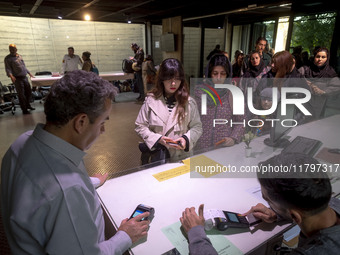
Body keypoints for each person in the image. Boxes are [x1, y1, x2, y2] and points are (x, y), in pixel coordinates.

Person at [1, 70, 150, 254]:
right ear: (81, 122)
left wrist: (89, 182)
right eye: (102, 123)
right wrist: (125, 236)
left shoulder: (21, 143)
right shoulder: (67, 191)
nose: (102, 131)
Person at [180, 153, 340, 255]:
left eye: (268, 200)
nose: (267, 204)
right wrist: (278, 213)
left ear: (294, 215)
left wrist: (196, 234)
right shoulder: (328, 202)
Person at [135, 58, 202, 163]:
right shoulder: (151, 101)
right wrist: (157, 139)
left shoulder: (189, 102)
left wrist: (186, 139)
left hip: (181, 157)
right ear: (162, 78)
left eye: (177, 79)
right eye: (169, 78)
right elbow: (140, 126)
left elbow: (197, 127)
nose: (173, 83)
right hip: (157, 157)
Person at [194, 54, 245, 151]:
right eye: (215, 73)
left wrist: (234, 138)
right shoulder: (200, 92)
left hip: (224, 148)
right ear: (209, 74)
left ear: (228, 74)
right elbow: (192, 121)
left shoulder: (234, 94)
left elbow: (241, 121)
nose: (218, 77)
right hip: (200, 148)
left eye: (222, 73)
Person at [298, 47, 340, 118]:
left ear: (327, 59)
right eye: (318, 56)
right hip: (302, 103)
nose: (320, 59)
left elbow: (336, 86)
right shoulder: (305, 70)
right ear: (314, 57)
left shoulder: (330, 73)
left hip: (318, 106)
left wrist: (323, 92)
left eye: (323, 57)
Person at [4, 44, 35, 114]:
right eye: (10, 49)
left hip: (24, 77)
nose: (11, 50)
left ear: (16, 49)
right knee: (21, 95)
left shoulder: (19, 56)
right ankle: (24, 109)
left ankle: (28, 105)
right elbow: (8, 68)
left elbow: (24, 66)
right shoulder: (7, 58)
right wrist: (11, 76)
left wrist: (29, 73)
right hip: (17, 79)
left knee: (28, 92)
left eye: (13, 49)